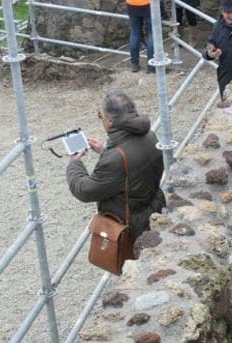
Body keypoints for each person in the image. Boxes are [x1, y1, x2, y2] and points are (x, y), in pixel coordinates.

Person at [66, 91, 166, 248]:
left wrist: (74, 162)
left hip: (132, 225)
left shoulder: (115, 159)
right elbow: (132, 168)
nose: (101, 119)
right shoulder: (150, 135)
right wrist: (104, 151)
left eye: (101, 115)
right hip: (155, 207)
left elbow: (85, 190)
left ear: (111, 121)